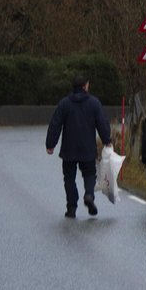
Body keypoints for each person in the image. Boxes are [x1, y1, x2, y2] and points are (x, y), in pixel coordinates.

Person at [45, 75, 112, 218]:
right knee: (89, 174)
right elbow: (102, 123)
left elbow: (55, 124)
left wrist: (50, 144)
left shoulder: (64, 104)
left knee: (69, 178)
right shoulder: (94, 103)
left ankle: (71, 207)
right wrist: (107, 139)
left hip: (69, 149)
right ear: (85, 86)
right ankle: (89, 195)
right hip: (88, 148)